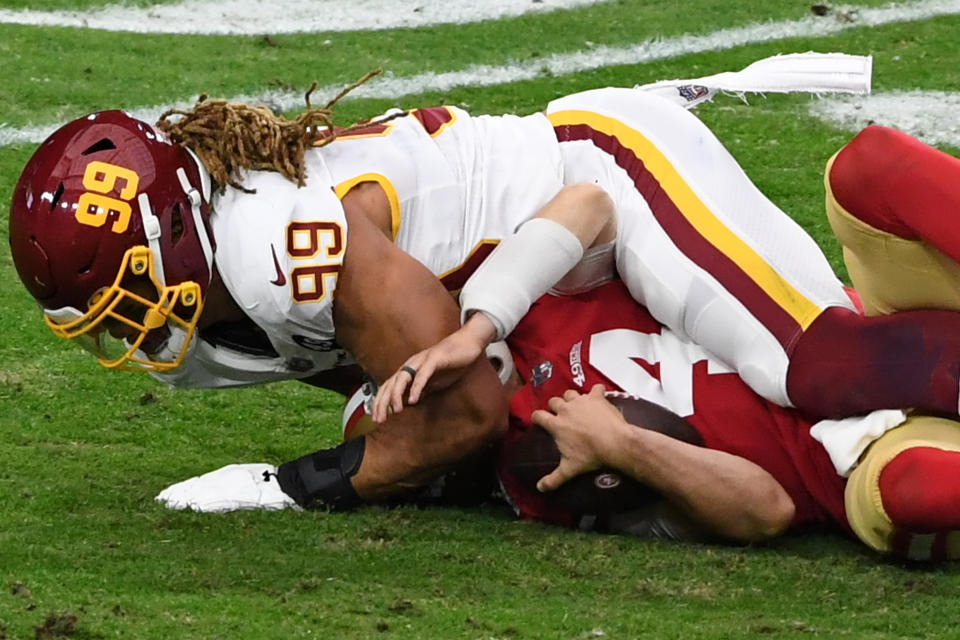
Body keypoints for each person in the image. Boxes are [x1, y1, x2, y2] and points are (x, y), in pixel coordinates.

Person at [12, 56, 960, 508]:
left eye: (130, 295)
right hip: (557, 282)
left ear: (177, 229)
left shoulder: (272, 245)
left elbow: (462, 405)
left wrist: (293, 484)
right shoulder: (230, 292)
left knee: (815, 368)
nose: (129, 332)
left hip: (608, 180)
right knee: (813, 425)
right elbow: (420, 388)